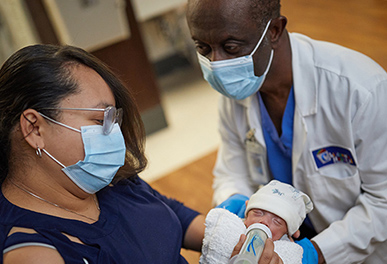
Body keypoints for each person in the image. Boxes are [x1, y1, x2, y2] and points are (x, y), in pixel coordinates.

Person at [0, 44, 283, 264]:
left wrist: (239, 237)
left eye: (115, 120)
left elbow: (170, 214)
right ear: (34, 128)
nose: (114, 136)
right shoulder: (32, 250)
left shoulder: (101, 180)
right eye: (100, 121)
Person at [186, 0, 387, 263]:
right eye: (203, 48)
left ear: (274, 31)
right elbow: (231, 170)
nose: (216, 63)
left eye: (231, 47)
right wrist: (234, 201)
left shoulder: (361, 90)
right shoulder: (237, 91)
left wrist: (312, 253)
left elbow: (382, 201)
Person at [201, 180, 313, 263]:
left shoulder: (287, 250)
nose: (263, 221)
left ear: (291, 233)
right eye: (257, 213)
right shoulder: (233, 228)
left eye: (277, 222)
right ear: (246, 209)